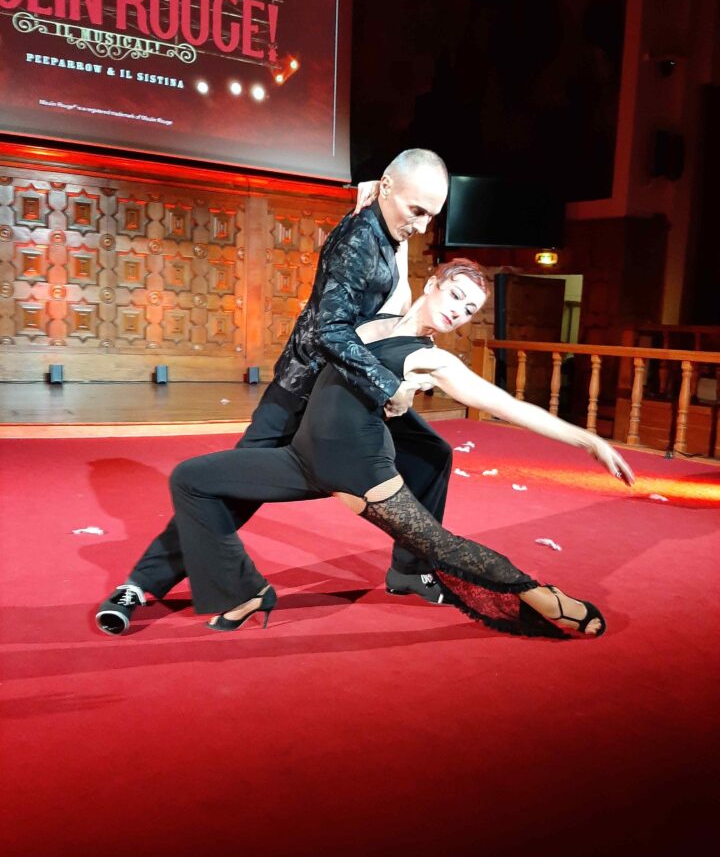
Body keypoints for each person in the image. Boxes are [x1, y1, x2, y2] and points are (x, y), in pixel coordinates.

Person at [108, 259, 635, 640]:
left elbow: (506, 404)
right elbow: (384, 239)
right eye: (456, 296)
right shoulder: (377, 316)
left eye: (470, 309)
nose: (459, 312)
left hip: (361, 474)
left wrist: (587, 439)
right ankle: (245, 591)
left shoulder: (433, 361)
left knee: (441, 547)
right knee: (192, 478)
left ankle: (543, 597)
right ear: (431, 285)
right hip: (300, 459)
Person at [96, 149, 453, 635]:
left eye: (432, 215)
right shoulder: (358, 241)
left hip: (344, 390)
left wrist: (386, 206)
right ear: (389, 189)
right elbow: (329, 331)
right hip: (303, 392)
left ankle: (410, 570)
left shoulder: (386, 228)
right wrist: (390, 385)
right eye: (417, 210)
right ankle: (139, 585)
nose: (423, 224)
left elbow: (395, 294)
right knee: (231, 489)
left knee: (431, 453)